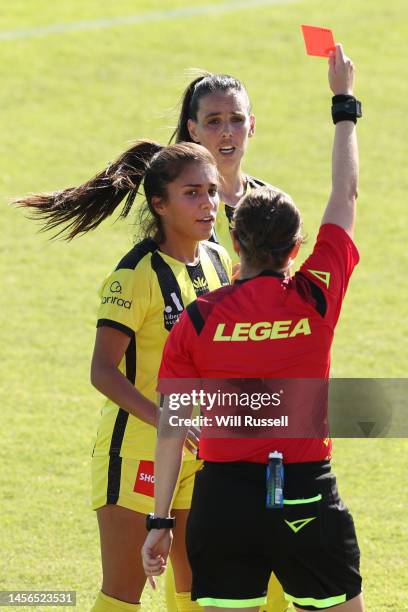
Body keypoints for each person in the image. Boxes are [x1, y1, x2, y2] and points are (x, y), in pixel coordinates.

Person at [142, 43, 364, 612]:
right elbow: (346, 195)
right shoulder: (316, 295)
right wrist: (344, 105)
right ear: (296, 248)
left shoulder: (197, 320)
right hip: (306, 494)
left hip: (221, 503)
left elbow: (172, 429)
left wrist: (162, 519)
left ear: (231, 243)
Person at [14, 141, 232, 612]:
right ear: (160, 204)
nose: (208, 204)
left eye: (212, 191)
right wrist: (167, 420)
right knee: (123, 591)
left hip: (199, 450)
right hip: (135, 452)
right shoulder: (134, 276)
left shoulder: (217, 260)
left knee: (200, 583)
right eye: (192, 193)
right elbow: (102, 370)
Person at [169, 71, 290, 612]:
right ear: (192, 128)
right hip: (195, 410)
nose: (226, 131)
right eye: (213, 120)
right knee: (191, 561)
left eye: (236, 118)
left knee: (275, 553)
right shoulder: (181, 205)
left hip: (262, 411)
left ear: (252, 125)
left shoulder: (268, 203)